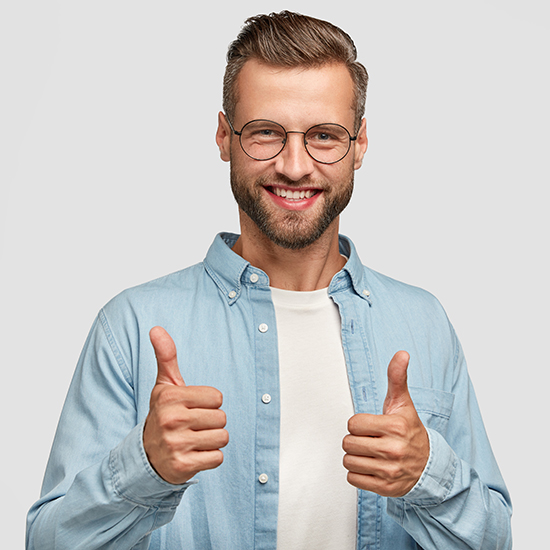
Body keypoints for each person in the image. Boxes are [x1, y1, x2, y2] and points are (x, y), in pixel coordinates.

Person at [26, 11, 512, 550]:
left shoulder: (424, 324)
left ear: (360, 144)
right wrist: (145, 467)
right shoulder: (133, 326)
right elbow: (48, 541)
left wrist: (429, 476)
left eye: (324, 136)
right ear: (223, 137)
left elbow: (495, 540)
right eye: (265, 134)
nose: (296, 166)